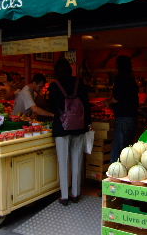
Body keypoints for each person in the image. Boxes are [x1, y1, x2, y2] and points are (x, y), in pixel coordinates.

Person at [49, 58, 91, 206]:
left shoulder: (54, 86)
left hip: (61, 127)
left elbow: (51, 106)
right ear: (70, 69)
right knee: (77, 160)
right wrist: (87, 124)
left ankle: (65, 196)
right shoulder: (79, 83)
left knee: (63, 162)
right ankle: (76, 193)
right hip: (79, 127)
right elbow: (86, 105)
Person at [106, 56, 139, 163]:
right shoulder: (132, 78)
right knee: (128, 150)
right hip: (132, 118)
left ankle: (114, 175)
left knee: (118, 151)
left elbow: (116, 98)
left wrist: (108, 102)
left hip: (123, 118)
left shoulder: (120, 78)